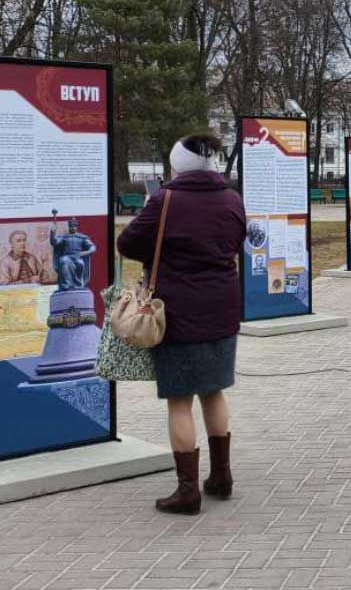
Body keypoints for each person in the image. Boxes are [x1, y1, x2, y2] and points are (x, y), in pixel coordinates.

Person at [117, 133, 245, 515]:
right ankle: (221, 476)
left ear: (179, 165)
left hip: (178, 311)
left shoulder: (165, 200)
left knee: (179, 401)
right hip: (222, 307)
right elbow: (235, 241)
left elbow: (128, 244)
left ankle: (187, 489)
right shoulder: (232, 198)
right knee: (214, 391)